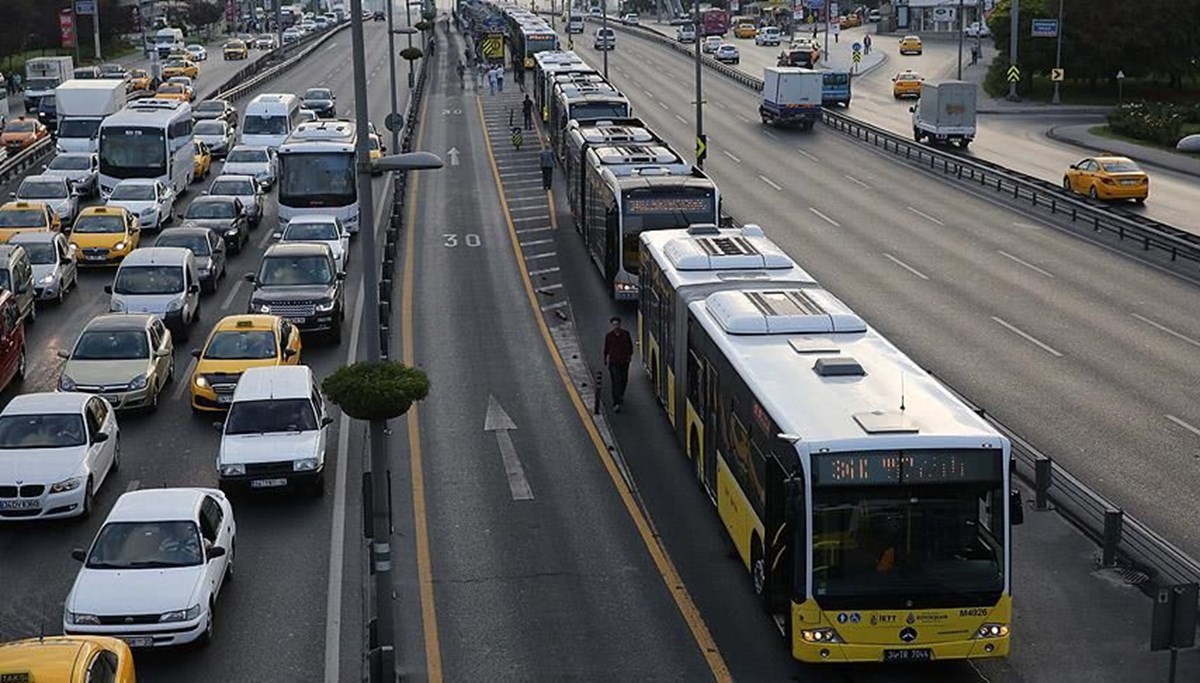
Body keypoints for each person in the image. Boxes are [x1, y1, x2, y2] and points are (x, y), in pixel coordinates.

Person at [603, 316, 633, 412]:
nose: (616, 326)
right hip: (614, 362)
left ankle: (620, 394)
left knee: (624, 380)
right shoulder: (609, 336)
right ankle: (615, 402)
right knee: (615, 381)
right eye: (614, 325)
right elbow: (606, 348)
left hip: (624, 361)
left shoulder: (626, 334)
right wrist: (605, 358)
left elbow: (630, 346)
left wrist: (629, 356)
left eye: (617, 324)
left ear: (620, 324)